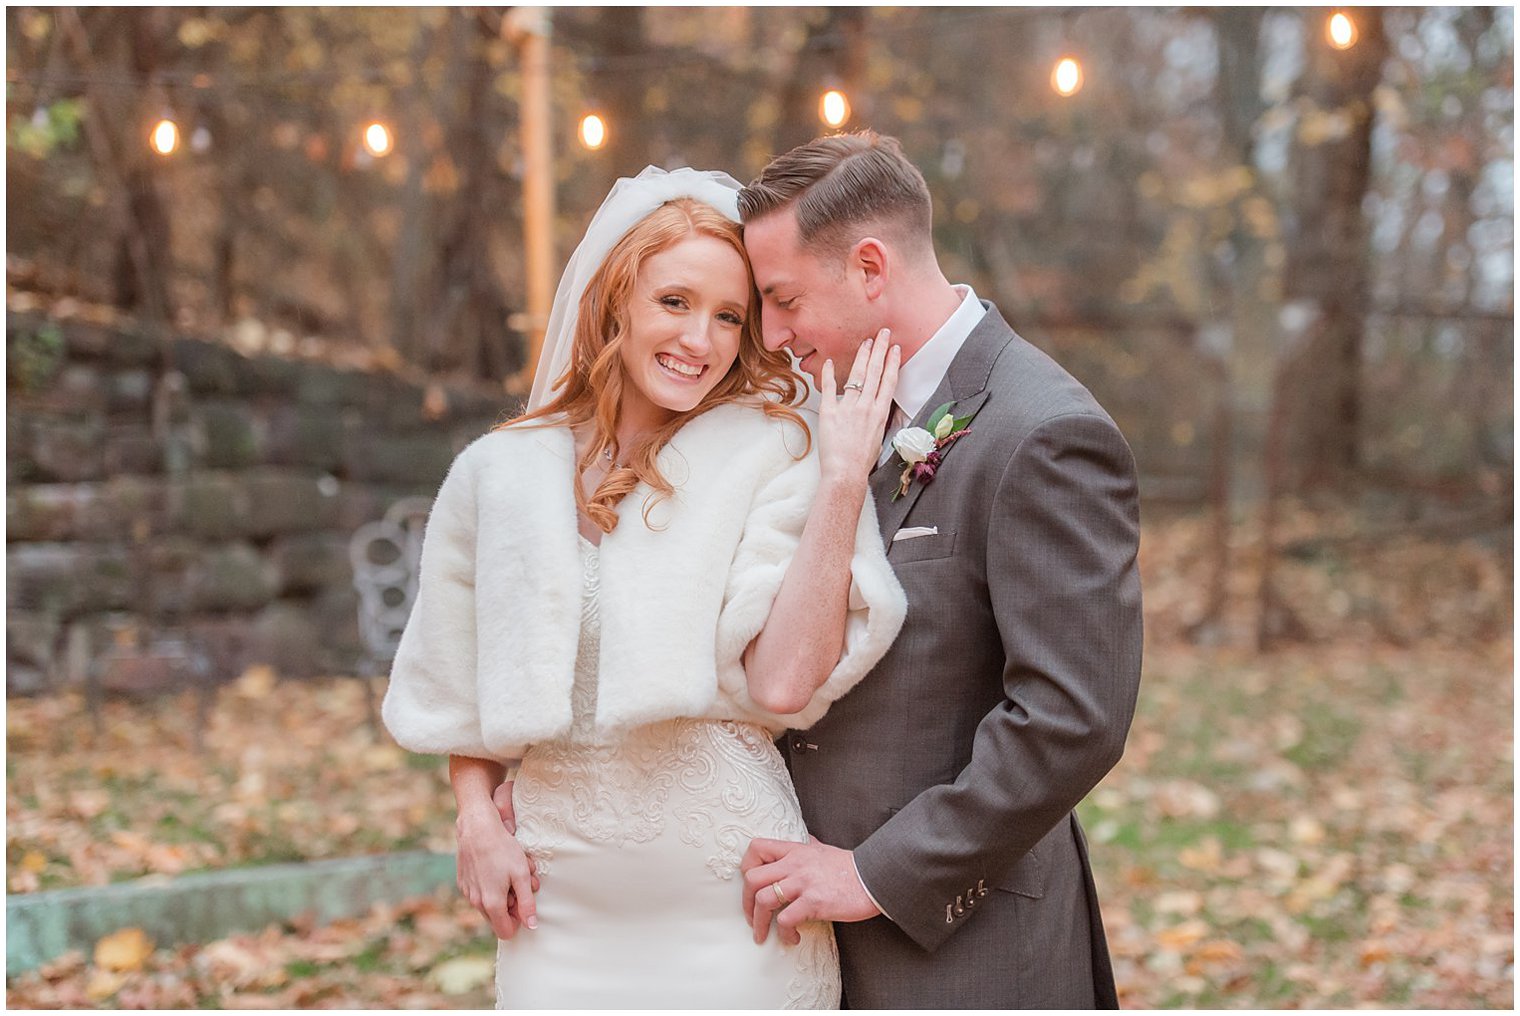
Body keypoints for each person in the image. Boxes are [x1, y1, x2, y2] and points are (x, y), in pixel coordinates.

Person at [381, 166, 907, 1009]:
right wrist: (476, 821)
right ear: (616, 298)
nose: (700, 339)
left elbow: (786, 678)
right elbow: (454, 685)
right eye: (674, 302)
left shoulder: (774, 450)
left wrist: (843, 481)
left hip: (731, 908)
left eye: (729, 316)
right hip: (557, 912)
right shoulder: (500, 474)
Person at [734, 132, 1143, 1008]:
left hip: (968, 948)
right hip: (813, 944)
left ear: (870, 268)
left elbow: (1074, 717)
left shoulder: (1044, 431)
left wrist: (879, 874)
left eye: (784, 299)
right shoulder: (833, 409)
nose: (772, 335)